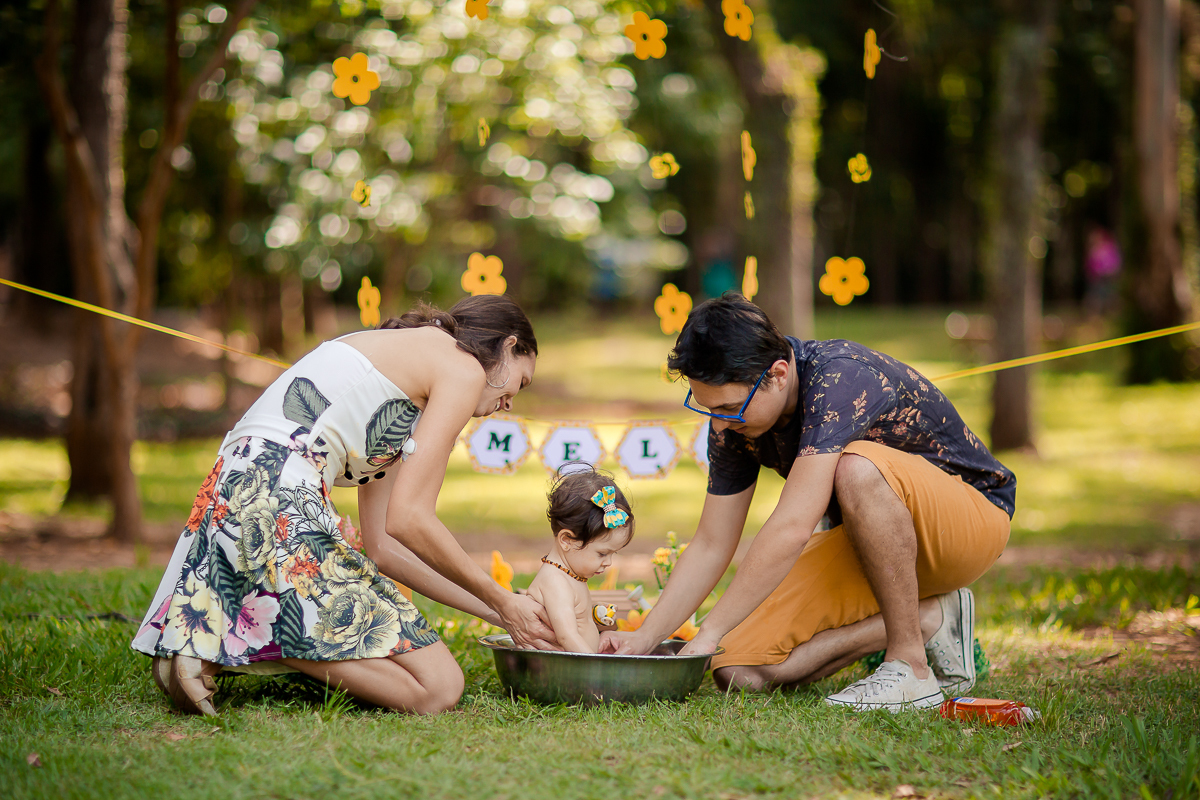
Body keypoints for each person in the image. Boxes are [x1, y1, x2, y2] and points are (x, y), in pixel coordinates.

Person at [132, 295, 557, 716]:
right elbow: (412, 519)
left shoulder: (410, 376)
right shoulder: (462, 368)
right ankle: (221, 649)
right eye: (521, 382)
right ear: (508, 346)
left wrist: (499, 612)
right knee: (439, 689)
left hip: (234, 488)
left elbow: (385, 548)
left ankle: (202, 650)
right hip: (278, 495)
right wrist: (502, 599)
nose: (510, 403)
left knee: (435, 684)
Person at [600, 293, 1015, 712]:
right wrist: (646, 638)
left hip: (970, 521)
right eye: (709, 409)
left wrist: (710, 628)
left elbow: (794, 526)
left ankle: (910, 667)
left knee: (856, 468)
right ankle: (931, 619)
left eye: (729, 407)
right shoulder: (731, 424)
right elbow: (711, 542)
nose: (720, 423)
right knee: (734, 666)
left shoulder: (840, 378)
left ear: (778, 374)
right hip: (870, 544)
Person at [526, 468, 635, 653]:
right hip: (558, 670)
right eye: (602, 553)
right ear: (567, 540)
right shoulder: (555, 581)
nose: (608, 562)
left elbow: (574, 617)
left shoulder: (570, 575)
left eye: (613, 554)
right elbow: (566, 636)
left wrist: (594, 616)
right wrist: (594, 668)